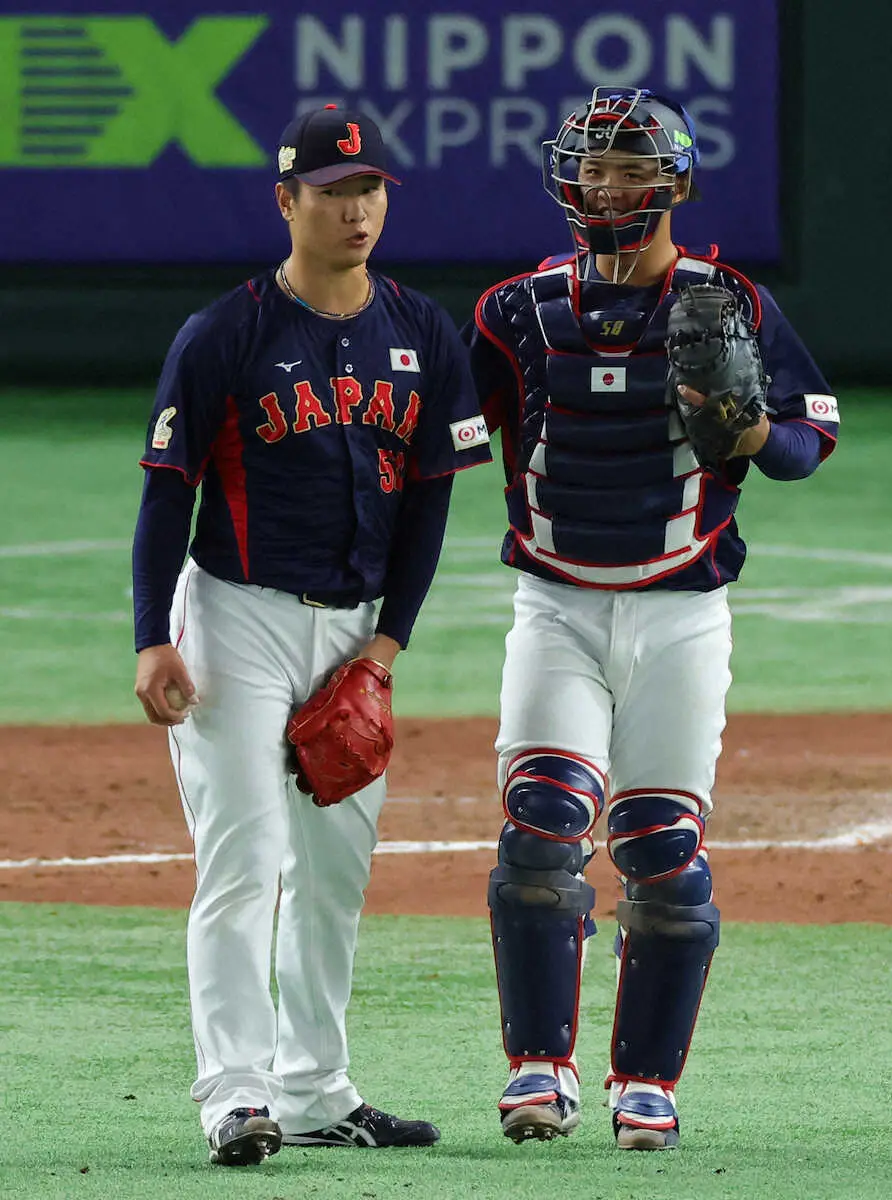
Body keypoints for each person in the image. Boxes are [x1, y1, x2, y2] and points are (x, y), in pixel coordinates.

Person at [463, 86, 840, 1151]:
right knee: (539, 830)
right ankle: (538, 1068)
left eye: (628, 168)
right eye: (591, 167)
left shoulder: (732, 300)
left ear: (673, 181)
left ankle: (646, 1084)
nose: (607, 185)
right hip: (555, 605)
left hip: (682, 610)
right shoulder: (513, 312)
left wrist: (753, 427)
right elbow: (441, 432)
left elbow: (808, 447)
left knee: (661, 848)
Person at [132, 104, 492, 1167]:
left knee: (335, 869)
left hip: (353, 637)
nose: (355, 208)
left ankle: (313, 1087)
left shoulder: (425, 332)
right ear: (286, 201)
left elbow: (430, 501)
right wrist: (155, 638)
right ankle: (234, 1096)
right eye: (333, 191)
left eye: (369, 188)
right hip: (235, 620)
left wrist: (387, 649)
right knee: (248, 857)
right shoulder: (225, 333)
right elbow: (166, 494)